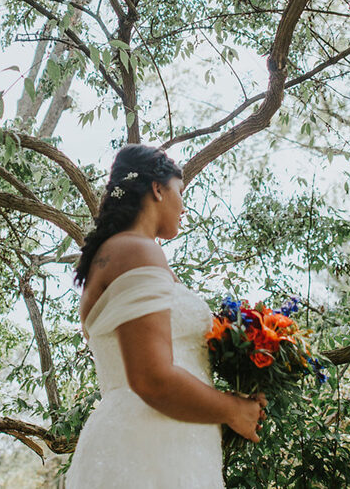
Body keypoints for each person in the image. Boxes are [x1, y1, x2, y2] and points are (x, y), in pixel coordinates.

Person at [65, 144, 266, 488]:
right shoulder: (136, 250)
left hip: (161, 442)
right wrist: (233, 409)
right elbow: (151, 378)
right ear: (158, 189)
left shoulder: (122, 251)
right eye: (180, 192)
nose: (184, 207)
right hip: (151, 448)